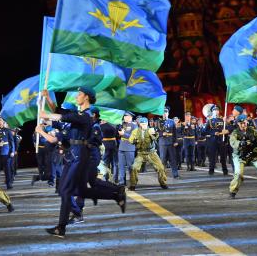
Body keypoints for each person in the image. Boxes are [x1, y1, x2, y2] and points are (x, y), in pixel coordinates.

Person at [40, 86, 126, 238]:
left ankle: (62, 227)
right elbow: (61, 113)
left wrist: (46, 114)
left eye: (79, 94)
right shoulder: (79, 114)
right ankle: (116, 195)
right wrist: (47, 98)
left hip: (81, 156)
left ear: (86, 97)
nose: (76, 96)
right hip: (73, 155)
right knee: (75, 190)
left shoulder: (86, 116)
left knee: (68, 190)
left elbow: (62, 117)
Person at [129, 117, 168, 190]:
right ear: (140, 124)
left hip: (151, 152)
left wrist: (155, 134)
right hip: (141, 152)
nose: (144, 125)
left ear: (147, 123)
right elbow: (130, 140)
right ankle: (133, 184)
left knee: (160, 168)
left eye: (145, 124)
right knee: (134, 167)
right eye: (142, 124)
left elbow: (156, 137)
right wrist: (134, 141)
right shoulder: (135, 131)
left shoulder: (150, 130)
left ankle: (163, 183)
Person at [0, 115, 15, 190]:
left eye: (1, 120)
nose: (0, 121)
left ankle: (9, 184)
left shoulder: (7, 130)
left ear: (3, 121)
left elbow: (11, 141)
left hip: (6, 152)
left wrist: (12, 151)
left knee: (7, 169)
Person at [155, 106, 179, 179]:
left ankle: (175, 174)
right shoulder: (158, 122)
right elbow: (156, 132)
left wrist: (176, 141)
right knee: (163, 159)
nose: (165, 114)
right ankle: (162, 174)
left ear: (168, 113)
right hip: (162, 143)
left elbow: (175, 132)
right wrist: (162, 134)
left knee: (173, 159)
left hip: (171, 142)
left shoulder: (171, 121)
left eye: (166, 112)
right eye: (163, 113)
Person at [205, 105, 229, 176]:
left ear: (219, 111)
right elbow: (205, 131)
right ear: (212, 112)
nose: (216, 111)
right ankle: (211, 170)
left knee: (223, 156)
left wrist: (226, 122)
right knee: (212, 157)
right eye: (214, 110)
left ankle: (225, 170)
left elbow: (227, 129)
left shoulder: (222, 120)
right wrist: (213, 133)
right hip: (213, 140)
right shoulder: (210, 121)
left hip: (221, 139)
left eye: (217, 110)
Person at [117, 111, 137, 186]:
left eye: (126, 116)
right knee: (121, 165)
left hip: (129, 147)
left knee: (130, 166)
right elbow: (118, 135)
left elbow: (134, 138)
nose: (124, 117)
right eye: (124, 116)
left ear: (130, 117)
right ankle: (122, 181)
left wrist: (123, 134)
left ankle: (132, 181)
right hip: (121, 147)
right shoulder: (122, 124)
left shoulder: (134, 126)